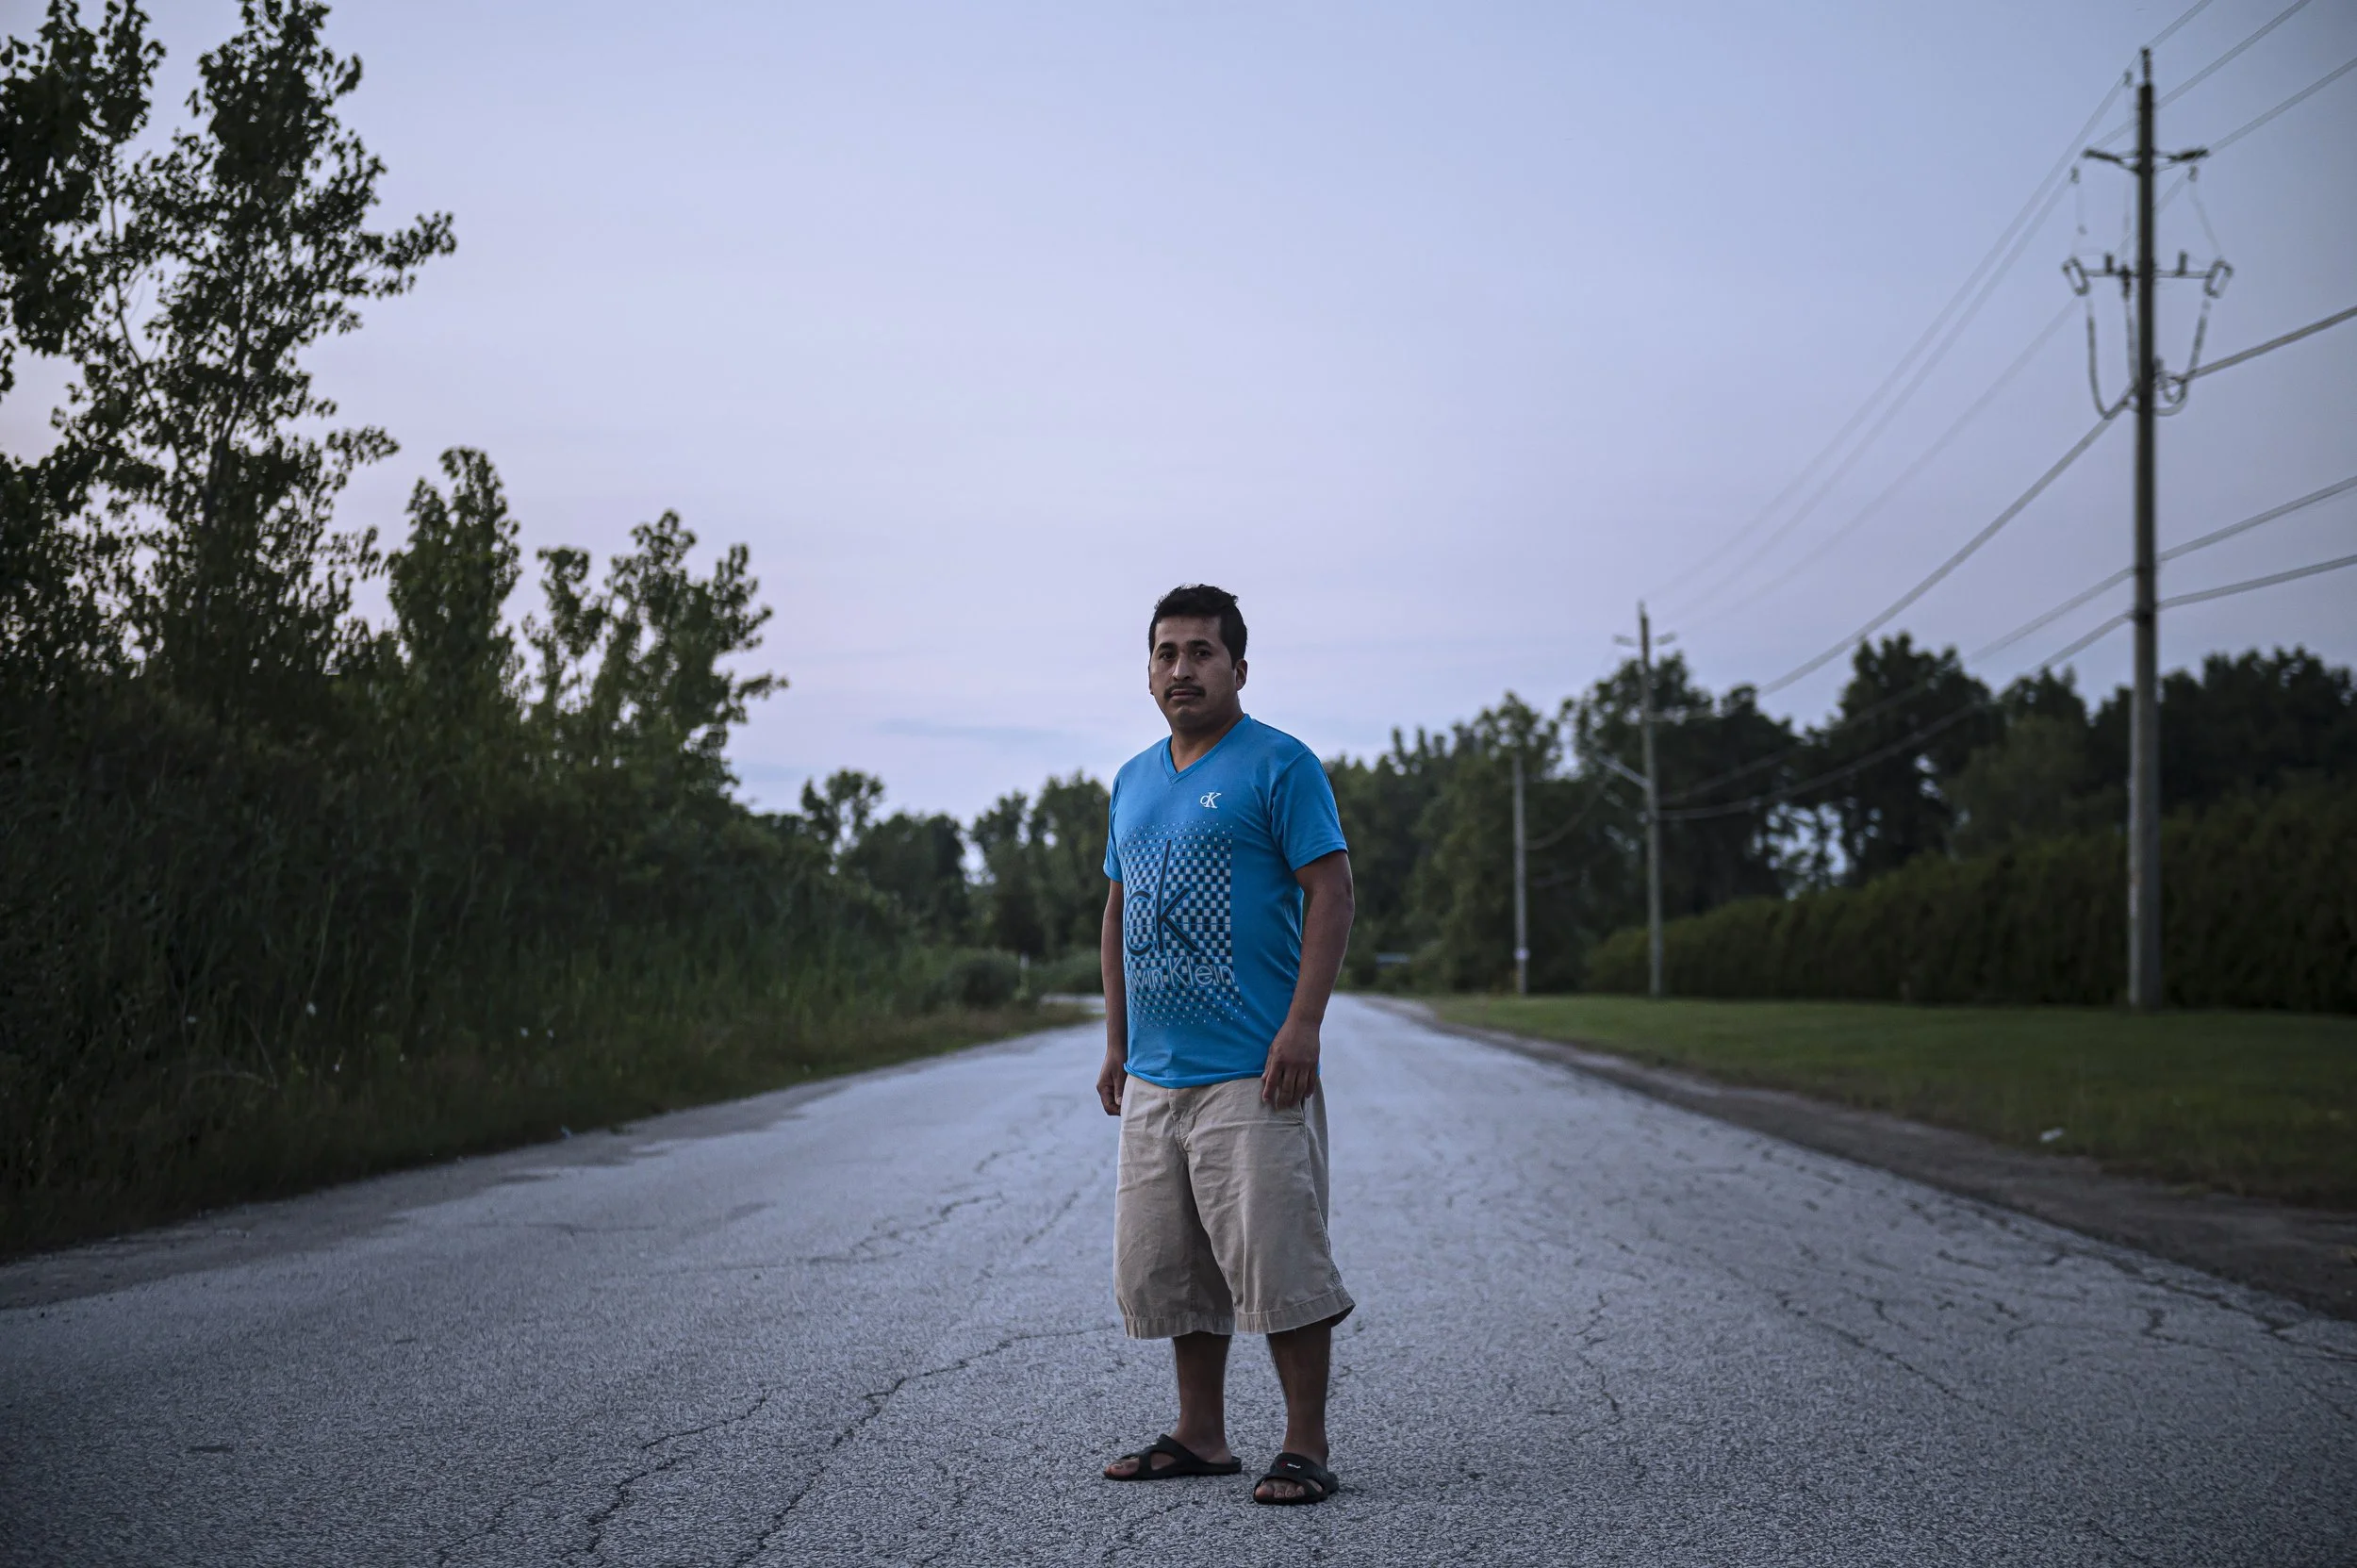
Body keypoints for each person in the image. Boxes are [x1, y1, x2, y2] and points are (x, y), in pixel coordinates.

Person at [1095, 584, 1356, 1507]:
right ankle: (1200, 1436)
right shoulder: (1132, 778)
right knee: (1173, 1269)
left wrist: (1304, 1023)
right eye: (1165, 653)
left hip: (1253, 1068)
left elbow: (1331, 890)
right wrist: (1116, 1041)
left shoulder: (1278, 766)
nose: (1181, 669)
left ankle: (1304, 1442)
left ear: (1238, 668)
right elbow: (1117, 910)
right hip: (1158, 1075)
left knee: (1276, 1260)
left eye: (1201, 652)